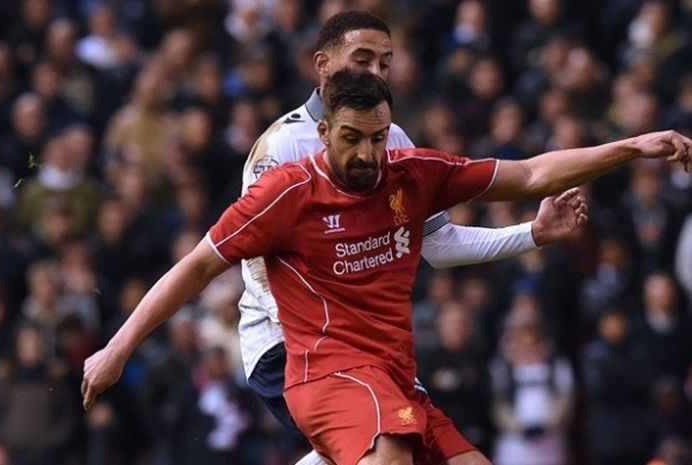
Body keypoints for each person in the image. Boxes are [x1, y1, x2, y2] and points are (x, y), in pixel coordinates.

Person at [82, 69, 690, 465]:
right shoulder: (285, 193)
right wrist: (118, 348)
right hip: (325, 373)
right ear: (324, 132)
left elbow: (532, 173)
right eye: (352, 138)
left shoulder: (413, 174)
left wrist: (632, 148)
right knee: (389, 457)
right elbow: (194, 269)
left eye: (377, 137)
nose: (367, 153)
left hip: (395, 376)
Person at [238, 11, 587, 464]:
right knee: (387, 450)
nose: (377, 73)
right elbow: (253, 261)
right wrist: (323, 336)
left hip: (367, 348)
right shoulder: (282, 145)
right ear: (323, 65)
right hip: (288, 344)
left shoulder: (394, 139)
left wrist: (532, 233)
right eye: (363, 60)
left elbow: (438, 245)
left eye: (386, 63)